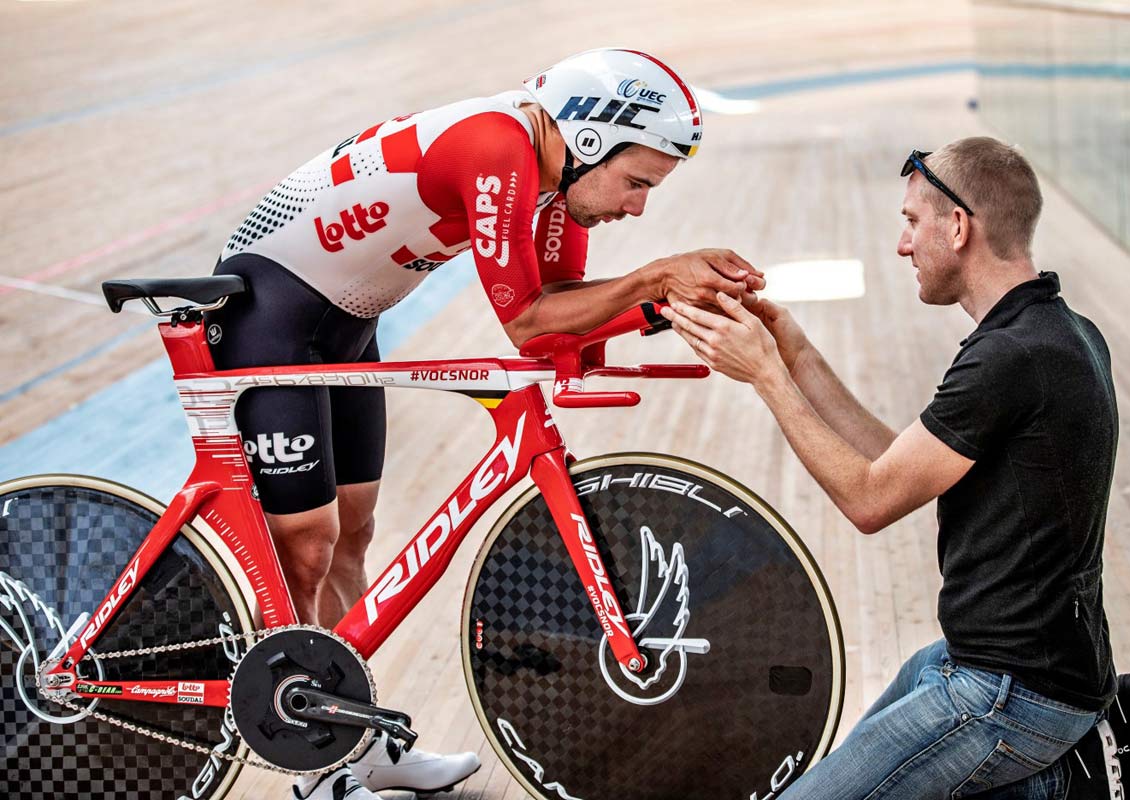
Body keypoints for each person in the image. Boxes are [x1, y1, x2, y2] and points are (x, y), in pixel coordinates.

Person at [204, 48, 765, 800]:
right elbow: (528, 323)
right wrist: (656, 276)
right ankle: (316, 763)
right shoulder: (498, 146)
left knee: (353, 534)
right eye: (636, 183)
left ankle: (356, 739)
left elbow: (565, 322)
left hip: (343, 322)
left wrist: (667, 307)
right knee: (305, 546)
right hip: (267, 315)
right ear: (588, 141)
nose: (637, 207)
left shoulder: (556, 180)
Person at [661, 137, 1130, 799]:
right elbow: (892, 462)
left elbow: (869, 501)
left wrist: (764, 376)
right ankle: (1083, 779)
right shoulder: (1057, 330)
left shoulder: (1009, 359)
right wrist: (791, 349)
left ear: (958, 226)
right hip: (1004, 666)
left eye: (911, 222)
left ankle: (1070, 781)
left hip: (1010, 694)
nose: (903, 245)